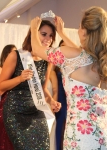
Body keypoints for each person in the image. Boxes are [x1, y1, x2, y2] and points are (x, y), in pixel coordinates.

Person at [30, 6, 107, 150]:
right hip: (101, 133)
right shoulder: (101, 62)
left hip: (80, 135)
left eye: (79, 27)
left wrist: (34, 29)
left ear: (84, 31)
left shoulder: (74, 57)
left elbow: (36, 49)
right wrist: (62, 33)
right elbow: (81, 55)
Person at [0, 20, 61, 150]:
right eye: (44, 34)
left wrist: (52, 101)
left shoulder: (47, 61)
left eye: (51, 36)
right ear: (33, 34)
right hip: (15, 113)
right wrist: (19, 78)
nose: (48, 39)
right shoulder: (16, 55)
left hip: (36, 112)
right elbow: (0, 87)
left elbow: (43, 89)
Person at [0, 44, 17, 150]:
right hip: (5, 108)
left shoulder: (19, 72)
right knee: (5, 142)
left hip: (19, 110)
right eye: (12, 53)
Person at [55, 40, 67, 150]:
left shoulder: (74, 64)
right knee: (59, 128)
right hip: (59, 98)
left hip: (71, 99)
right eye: (62, 47)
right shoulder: (55, 65)